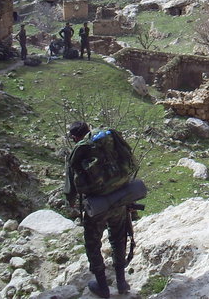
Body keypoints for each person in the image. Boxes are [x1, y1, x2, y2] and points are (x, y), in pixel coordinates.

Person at [64, 122, 130, 298]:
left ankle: (102, 286)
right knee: (118, 238)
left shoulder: (80, 151)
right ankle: (122, 282)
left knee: (93, 244)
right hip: (119, 198)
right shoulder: (107, 141)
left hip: (97, 205)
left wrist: (71, 201)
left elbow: (70, 187)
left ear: (75, 137)